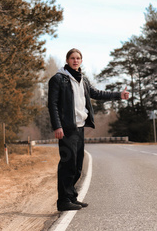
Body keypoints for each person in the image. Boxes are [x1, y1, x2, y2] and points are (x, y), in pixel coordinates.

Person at [48, 48, 130, 211]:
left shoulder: (83, 79)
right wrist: (57, 126)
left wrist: (118, 95)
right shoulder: (58, 79)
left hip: (79, 127)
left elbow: (96, 93)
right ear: (67, 60)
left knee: (78, 165)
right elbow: (52, 105)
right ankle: (63, 201)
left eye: (78, 58)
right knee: (67, 164)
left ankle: (71, 196)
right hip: (66, 128)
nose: (75, 60)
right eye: (72, 58)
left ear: (81, 61)